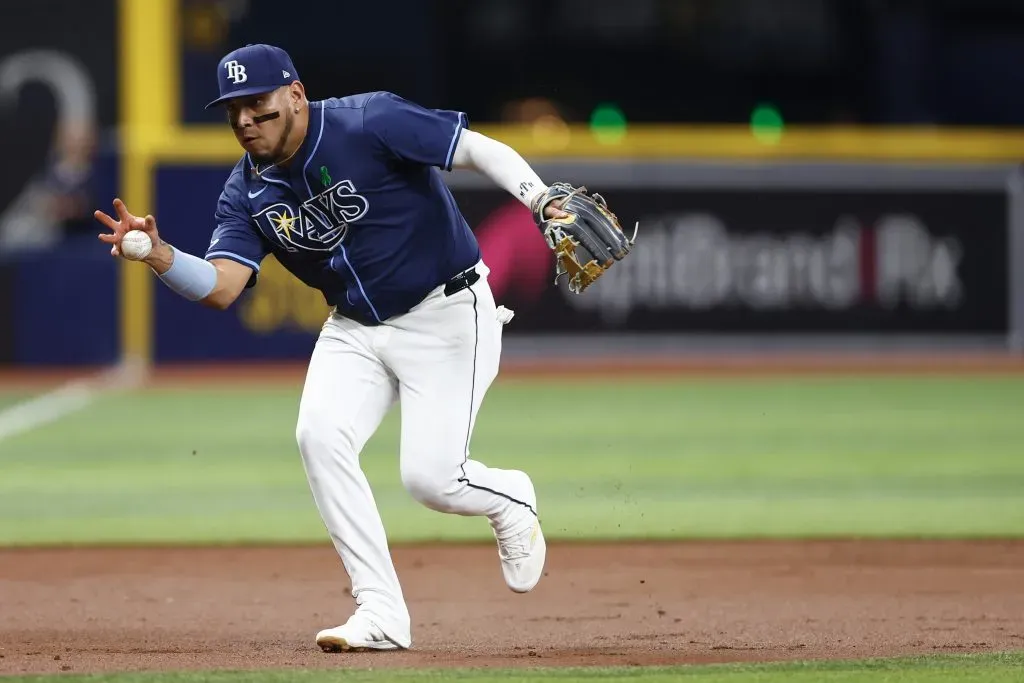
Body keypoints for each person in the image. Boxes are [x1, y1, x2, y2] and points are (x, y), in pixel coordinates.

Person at [95, 44, 567, 653]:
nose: (245, 121)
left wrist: (540, 199)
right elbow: (221, 288)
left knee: (431, 480)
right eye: (233, 110)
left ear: (294, 94)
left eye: (258, 106)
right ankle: (381, 613)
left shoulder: (368, 120)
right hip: (354, 327)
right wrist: (159, 255)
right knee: (318, 436)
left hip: (447, 310)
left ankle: (510, 501)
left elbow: (473, 148)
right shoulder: (245, 192)